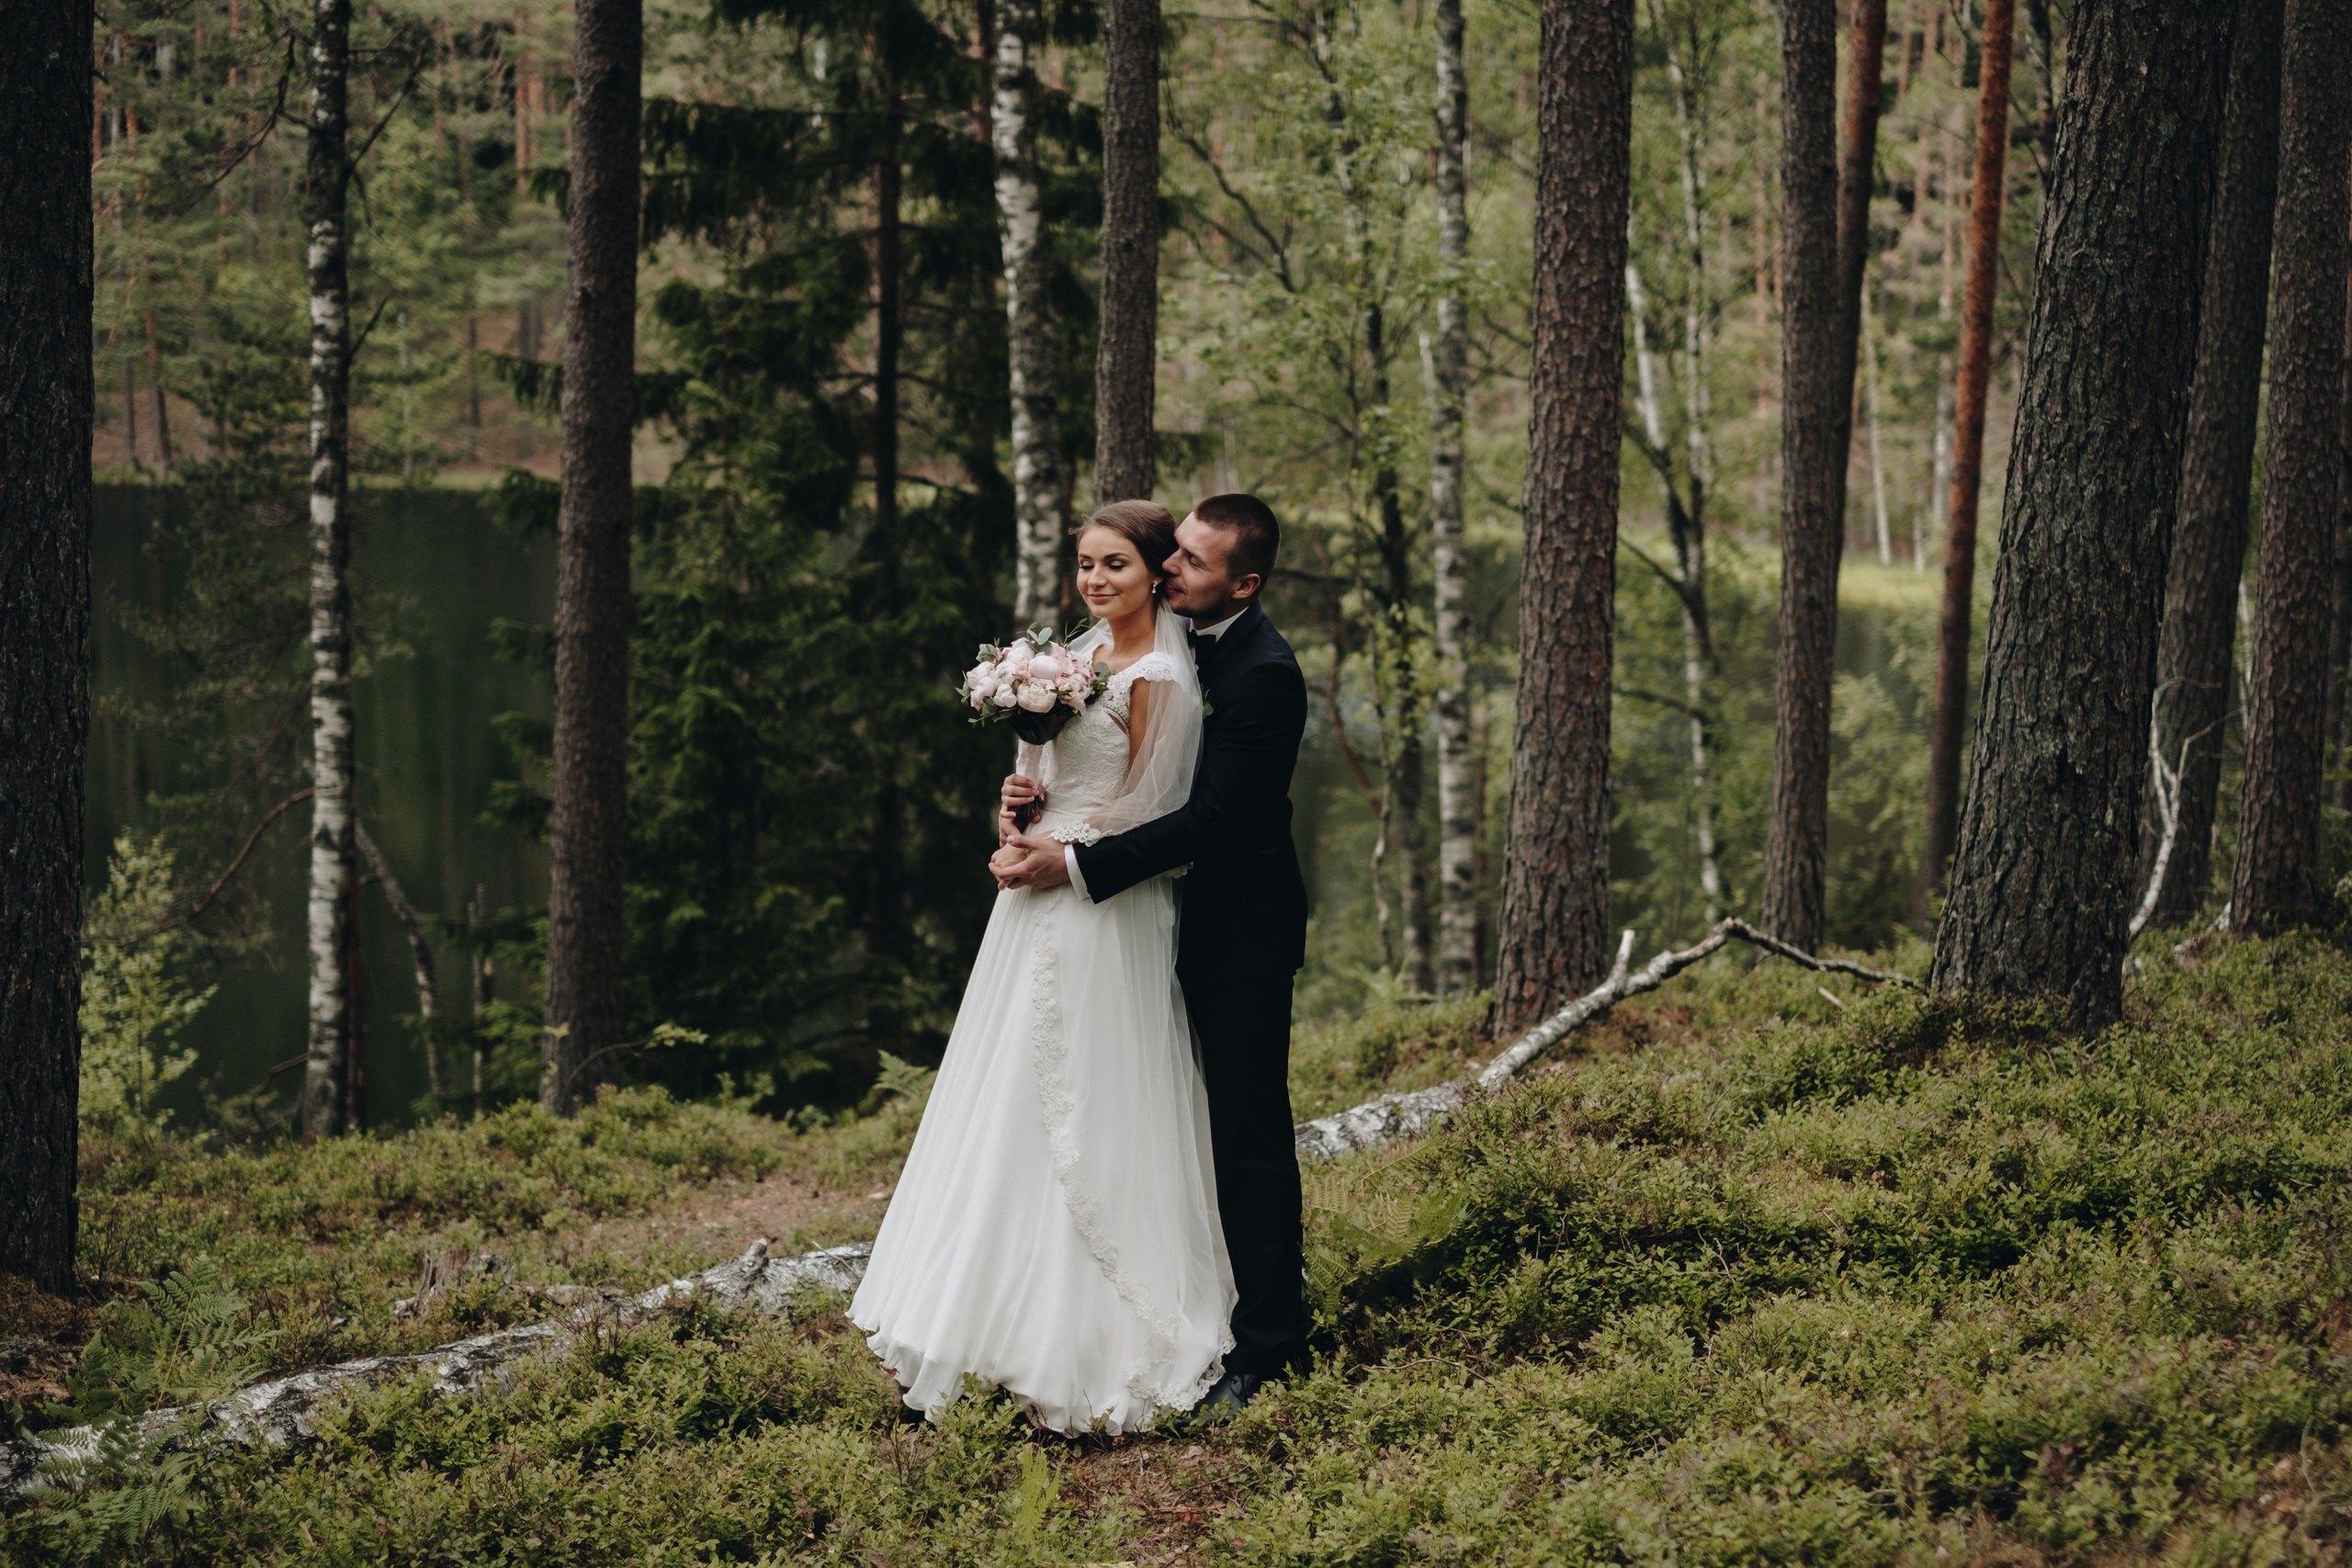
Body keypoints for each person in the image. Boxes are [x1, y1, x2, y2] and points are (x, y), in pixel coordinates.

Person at [849, 500, 1233, 1434]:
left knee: (1087, 1101)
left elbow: (1154, 820)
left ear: (1156, 576)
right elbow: (1043, 773)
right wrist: (1013, 817)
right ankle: (977, 1329)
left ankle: (1088, 1349)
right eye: (1088, 566)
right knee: (1008, 1100)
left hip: (1100, 910)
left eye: (1117, 566)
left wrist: (1056, 854)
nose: (1096, 582)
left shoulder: (1158, 678)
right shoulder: (1073, 661)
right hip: (1030, 897)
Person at [992, 492, 1312, 1421]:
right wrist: (1027, 812)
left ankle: (1269, 1347)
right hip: (1135, 922)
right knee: (1122, 1117)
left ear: (1243, 584)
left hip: (1232, 931)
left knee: (1243, 1134)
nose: (1170, 570)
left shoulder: (1263, 673)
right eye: (1171, 553)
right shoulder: (1144, 636)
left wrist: (1074, 862)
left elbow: (1214, 820)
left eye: (1194, 564)